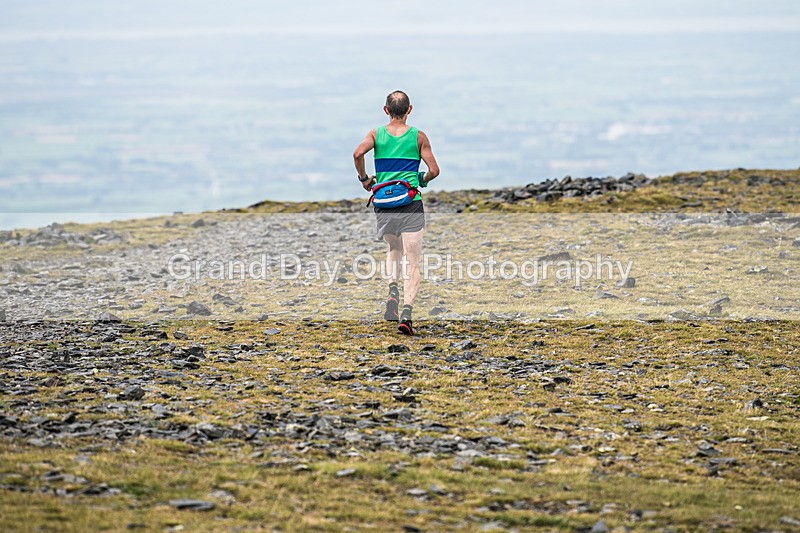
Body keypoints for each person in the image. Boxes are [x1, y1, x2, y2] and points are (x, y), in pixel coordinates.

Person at [353, 90, 440, 336]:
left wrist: (364, 179)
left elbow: (358, 153)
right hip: (410, 202)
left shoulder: (376, 134)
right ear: (409, 109)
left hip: (384, 203)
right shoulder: (418, 137)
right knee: (413, 262)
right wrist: (421, 179)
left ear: (386, 110)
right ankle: (407, 314)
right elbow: (434, 170)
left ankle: (392, 291)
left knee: (393, 249)